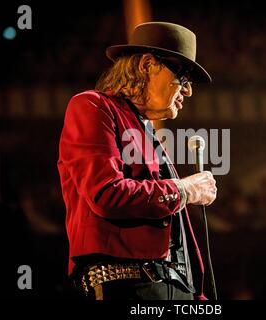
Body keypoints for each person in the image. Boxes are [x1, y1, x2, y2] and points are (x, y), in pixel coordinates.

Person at [57, 22, 217, 300]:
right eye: (183, 77)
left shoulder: (147, 132)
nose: (188, 91)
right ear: (147, 65)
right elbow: (106, 193)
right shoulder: (92, 106)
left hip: (178, 290)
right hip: (127, 285)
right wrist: (184, 190)